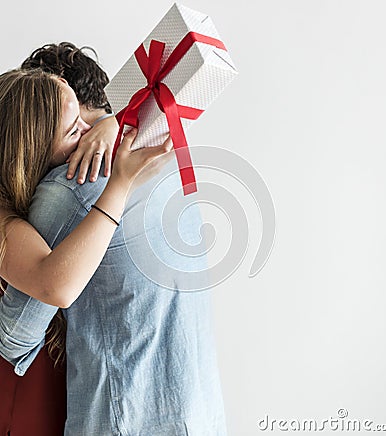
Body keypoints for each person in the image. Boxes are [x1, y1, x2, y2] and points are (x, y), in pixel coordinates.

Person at [1, 50, 227, 435]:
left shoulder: (71, 186)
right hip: (202, 413)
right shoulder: (164, 155)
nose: (91, 138)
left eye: (83, 124)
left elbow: (15, 336)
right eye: (74, 130)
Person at [0, 42, 126, 435]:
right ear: (33, 151)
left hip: (63, 393)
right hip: (19, 401)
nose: (89, 138)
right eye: (75, 131)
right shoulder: (5, 219)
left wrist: (111, 122)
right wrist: (121, 183)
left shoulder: (45, 204)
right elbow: (57, 286)